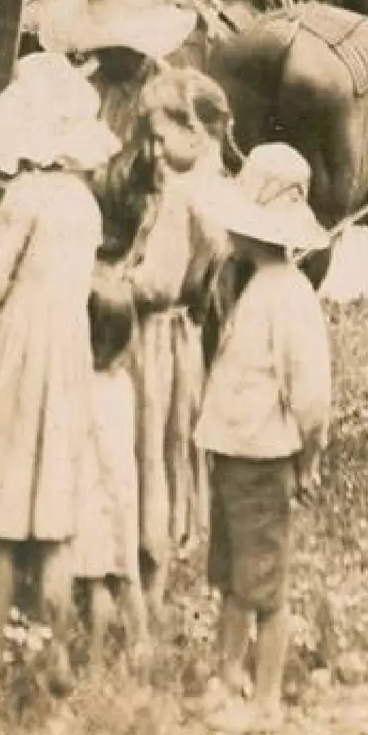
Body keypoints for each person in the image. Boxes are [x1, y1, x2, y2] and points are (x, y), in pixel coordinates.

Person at [0, 52, 119, 684]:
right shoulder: (84, 204)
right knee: (55, 515)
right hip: (67, 357)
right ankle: (55, 648)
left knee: (0, 511)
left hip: (18, 357)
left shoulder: (23, 197)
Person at [192, 142, 334, 734]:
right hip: (232, 454)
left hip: (264, 458)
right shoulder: (252, 286)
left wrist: (309, 456)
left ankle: (267, 698)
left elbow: (311, 395)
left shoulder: (291, 296)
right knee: (232, 575)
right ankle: (228, 676)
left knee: (266, 584)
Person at [105, 67, 230, 613]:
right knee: (173, 444)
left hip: (153, 341)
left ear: (193, 132)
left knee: (147, 445)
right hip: (186, 339)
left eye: (159, 138)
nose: (152, 151)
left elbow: (158, 285)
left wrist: (111, 281)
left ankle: (144, 568)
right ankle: (162, 557)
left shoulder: (179, 199)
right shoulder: (216, 191)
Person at [37, 0, 198, 254]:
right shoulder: (79, 88)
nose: (109, 56)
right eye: (103, 47)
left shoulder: (169, 99)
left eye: (120, 48)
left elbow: (171, 197)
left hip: (136, 245)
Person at [74, 283, 149, 670]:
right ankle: (142, 644)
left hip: (93, 492)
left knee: (97, 581)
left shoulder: (83, 386)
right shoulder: (123, 384)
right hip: (123, 490)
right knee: (127, 572)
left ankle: (95, 660)